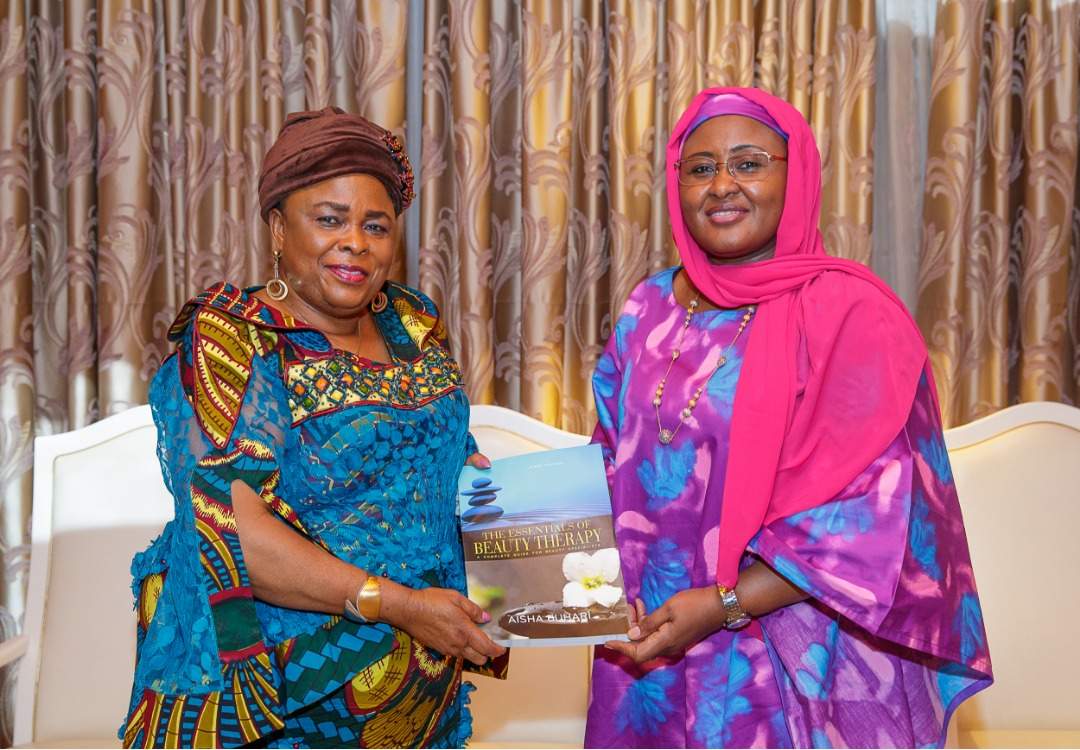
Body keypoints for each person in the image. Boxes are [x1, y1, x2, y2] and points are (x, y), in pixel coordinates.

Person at [586, 87, 992, 748]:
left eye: (748, 164)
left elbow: (869, 514)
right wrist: (500, 510)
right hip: (649, 644)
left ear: (794, 171)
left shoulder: (852, 315)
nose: (722, 185)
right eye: (700, 167)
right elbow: (603, 459)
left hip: (794, 654)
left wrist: (724, 604)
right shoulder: (648, 308)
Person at [119, 107, 506, 749]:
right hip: (282, 709)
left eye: (375, 225)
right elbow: (235, 534)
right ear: (277, 227)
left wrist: (498, 511)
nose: (355, 241)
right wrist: (403, 605)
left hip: (414, 709)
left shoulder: (410, 325)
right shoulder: (242, 342)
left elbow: (444, 457)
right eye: (329, 219)